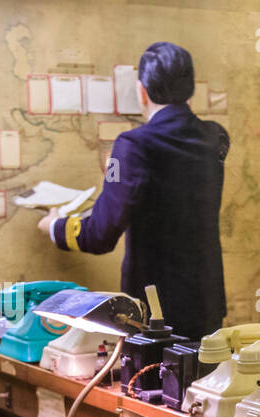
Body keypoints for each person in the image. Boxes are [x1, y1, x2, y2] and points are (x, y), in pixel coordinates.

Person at [37, 42, 228, 341]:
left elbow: (100, 234)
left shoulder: (131, 146)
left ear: (142, 91)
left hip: (154, 314)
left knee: (149, 388)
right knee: (203, 386)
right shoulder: (215, 137)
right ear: (190, 90)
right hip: (207, 306)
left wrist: (55, 226)